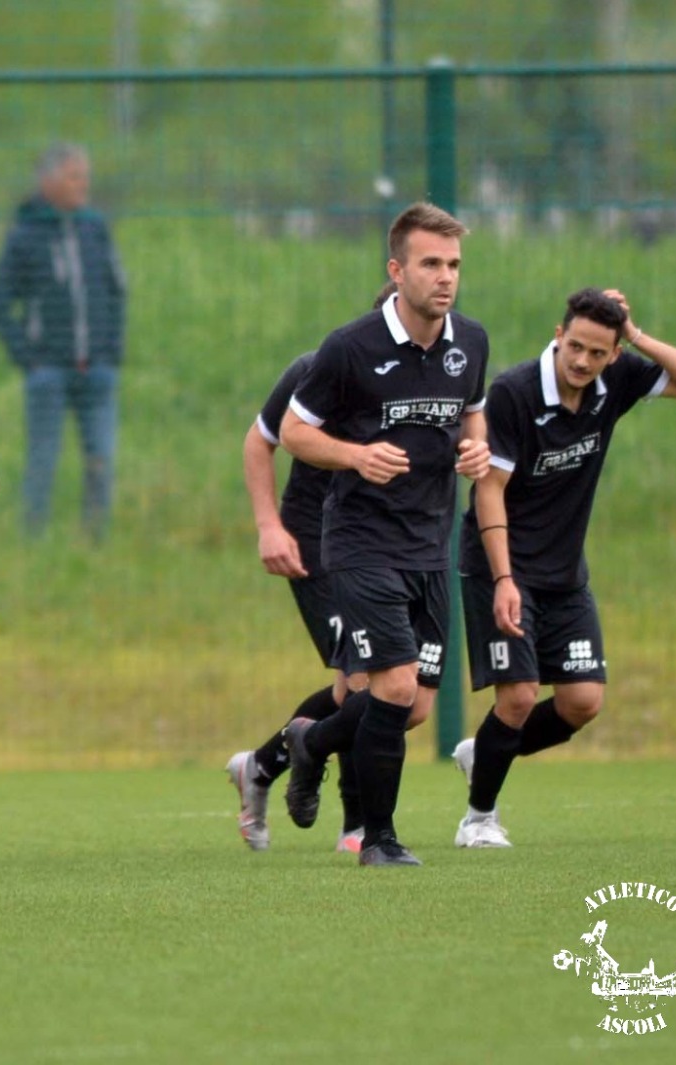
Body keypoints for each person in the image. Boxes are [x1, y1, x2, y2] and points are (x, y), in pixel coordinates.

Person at [452, 287, 676, 847]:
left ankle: (486, 750)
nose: (582, 361)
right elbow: (489, 490)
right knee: (519, 696)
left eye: (598, 352)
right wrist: (504, 580)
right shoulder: (515, 393)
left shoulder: (613, 384)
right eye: (575, 346)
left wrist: (638, 334)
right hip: (499, 564)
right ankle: (478, 819)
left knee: (582, 702)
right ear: (558, 334)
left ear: (614, 353)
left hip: (565, 571)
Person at [278, 202, 491, 867]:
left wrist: (476, 452)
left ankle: (309, 744)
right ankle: (380, 839)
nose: (445, 278)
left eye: (453, 264)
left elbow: (473, 416)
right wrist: (356, 456)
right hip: (361, 541)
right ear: (396, 270)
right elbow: (293, 432)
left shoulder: (471, 343)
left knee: (416, 706)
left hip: (431, 542)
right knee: (394, 687)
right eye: (431, 263)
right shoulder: (352, 348)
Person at [225, 282, 397, 856]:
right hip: (318, 545)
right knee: (364, 681)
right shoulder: (320, 366)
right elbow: (259, 442)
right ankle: (357, 827)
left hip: (387, 544)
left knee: (384, 692)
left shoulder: (431, 378)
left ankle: (263, 764)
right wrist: (269, 526)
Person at [0, 142, 124, 541]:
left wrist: (110, 351)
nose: (83, 184)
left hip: (97, 369)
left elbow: (116, 292)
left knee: (101, 457)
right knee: (42, 460)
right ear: (48, 182)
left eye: (85, 176)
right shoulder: (25, 235)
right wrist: (30, 360)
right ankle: (33, 540)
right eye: (73, 176)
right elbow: (0, 305)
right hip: (47, 372)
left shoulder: (95, 228)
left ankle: (96, 540)